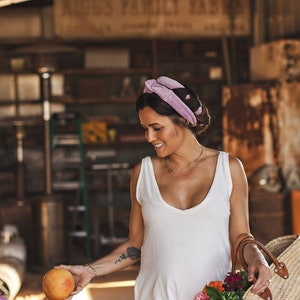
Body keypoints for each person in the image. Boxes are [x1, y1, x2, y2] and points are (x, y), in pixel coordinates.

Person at [60, 76, 272, 300]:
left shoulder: (228, 169)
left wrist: (258, 259)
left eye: (156, 128)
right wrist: (90, 270)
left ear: (183, 120)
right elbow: (135, 245)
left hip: (214, 296)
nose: (149, 137)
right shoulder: (143, 173)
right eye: (145, 129)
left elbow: (240, 236)